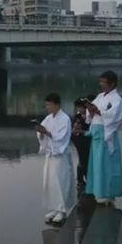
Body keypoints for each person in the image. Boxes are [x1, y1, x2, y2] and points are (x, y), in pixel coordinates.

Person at [36, 93, 75, 224]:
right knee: (50, 182)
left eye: (49, 105)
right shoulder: (48, 118)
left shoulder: (65, 119)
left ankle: (62, 210)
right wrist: (41, 132)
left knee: (60, 181)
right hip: (50, 155)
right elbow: (41, 131)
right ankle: (54, 207)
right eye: (46, 105)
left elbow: (62, 137)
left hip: (60, 155)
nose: (47, 107)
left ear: (57, 104)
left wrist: (47, 133)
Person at [85, 71, 122, 205]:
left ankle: (108, 193)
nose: (101, 85)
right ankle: (98, 191)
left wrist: (99, 112)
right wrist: (90, 110)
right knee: (97, 164)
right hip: (97, 133)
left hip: (106, 133)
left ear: (112, 83)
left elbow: (114, 116)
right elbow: (90, 114)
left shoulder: (117, 98)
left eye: (104, 82)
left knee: (107, 164)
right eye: (100, 82)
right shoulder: (100, 96)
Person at [72, 96, 93, 191]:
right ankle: (80, 180)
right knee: (82, 159)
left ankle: (88, 179)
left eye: (80, 107)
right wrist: (75, 128)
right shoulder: (77, 117)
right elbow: (73, 129)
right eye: (78, 107)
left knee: (87, 159)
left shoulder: (90, 117)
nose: (79, 109)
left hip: (88, 140)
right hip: (79, 140)